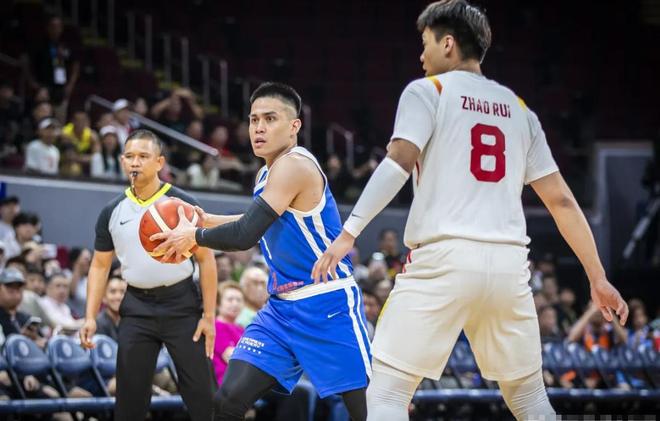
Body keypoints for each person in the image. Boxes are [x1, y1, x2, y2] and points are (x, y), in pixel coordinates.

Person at [312, 1, 628, 420]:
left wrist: (349, 232)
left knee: (387, 393)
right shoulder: (520, 110)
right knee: (530, 400)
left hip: (443, 257)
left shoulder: (428, 91)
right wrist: (597, 276)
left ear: (448, 43)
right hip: (510, 265)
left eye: (425, 44)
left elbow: (397, 164)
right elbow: (562, 201)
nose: (421, 56)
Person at [152, 82, 370, 421]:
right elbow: (256, 221)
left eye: (270, 119)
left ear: (294, 126)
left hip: (326, 302)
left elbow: (245, 235)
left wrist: (193, 236)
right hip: (281, 310)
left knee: (368, 412)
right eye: (254, 120)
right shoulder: (267, 172)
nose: (259, 128)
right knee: (227, 401)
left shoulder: (294, 165)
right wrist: (204, 219)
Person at [79, 129, 217, 421]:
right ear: (121, 161)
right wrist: (90, 316)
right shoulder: (112, 211)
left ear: (159, 162)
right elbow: (100, 266)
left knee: (203, 397)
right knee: (129, 402)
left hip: (182, 304)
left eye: (143, 156)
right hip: (136, 306)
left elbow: (207, 260)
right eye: (129, 156)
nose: (135, 162)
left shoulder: (183, 203)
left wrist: (209, 316)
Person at [213, 281, 245, 387]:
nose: (235, 304)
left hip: (244, 380)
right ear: (218, 304)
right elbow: (232, 358)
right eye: (230, 299)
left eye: (239, 300)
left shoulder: (241, 328)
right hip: (228, 383)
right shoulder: (216, 326)